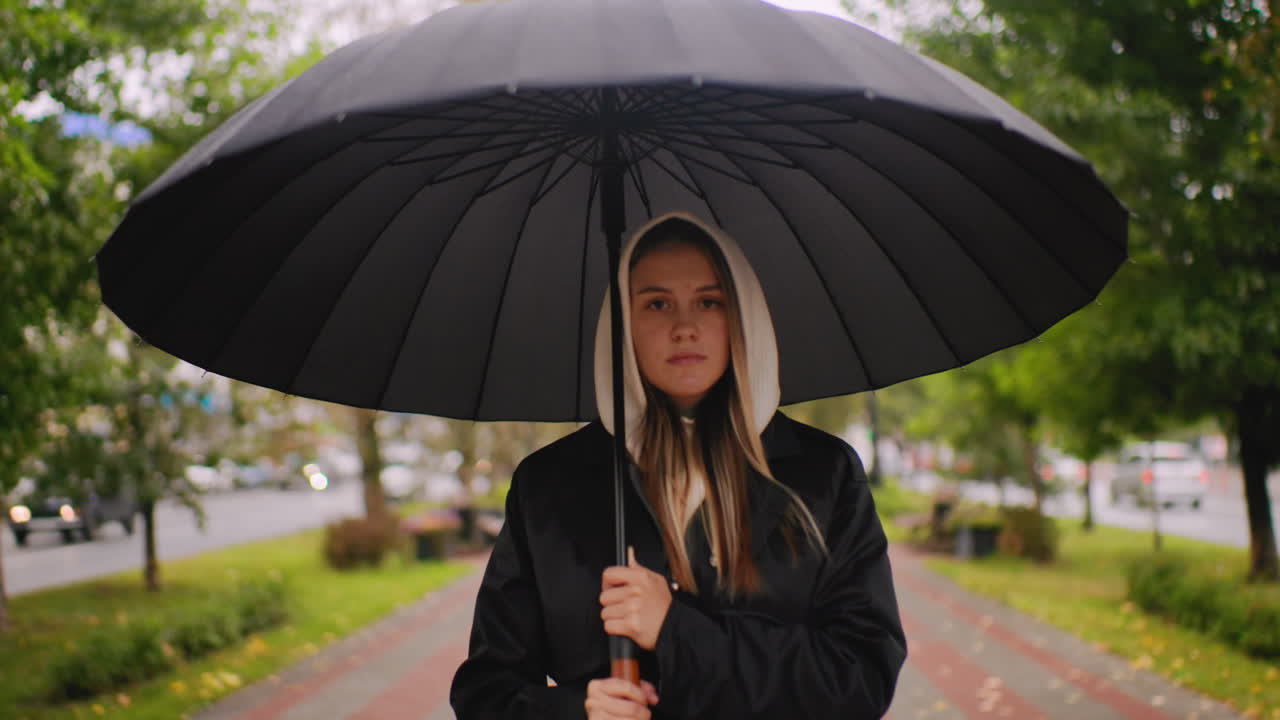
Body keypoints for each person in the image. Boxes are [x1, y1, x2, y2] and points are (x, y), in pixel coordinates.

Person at [450, 211, 906, 720]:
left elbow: (862, 678)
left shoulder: (823, 475)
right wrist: (575, 710)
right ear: (623, 325)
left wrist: (677, 631)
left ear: (742, 318)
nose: (684, 327)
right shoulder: (549, 487)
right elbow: (485, 692)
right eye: (657, 303)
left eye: (709, 302)